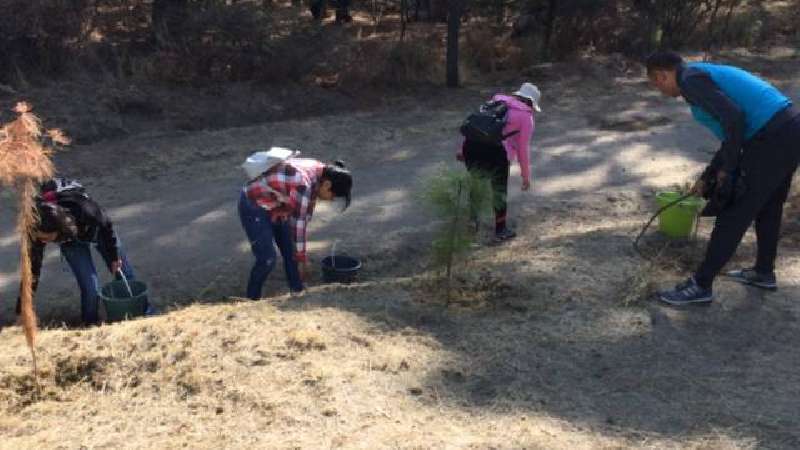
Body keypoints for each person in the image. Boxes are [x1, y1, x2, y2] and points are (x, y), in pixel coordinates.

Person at [646, 51, 800, 305]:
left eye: (656, 83)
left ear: (662, 75)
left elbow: (735, 120)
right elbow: (732, 134)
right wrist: (708, 176)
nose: (659, 89)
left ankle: (701, 285)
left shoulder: (690, 80)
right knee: (769, 206)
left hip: (772, 137)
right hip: (789, 129)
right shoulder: (698, 75)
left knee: (733, 211)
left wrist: (728, 172)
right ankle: (763, 272)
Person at [18, 178, 141, 325]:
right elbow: (32, 272)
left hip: (97, 230)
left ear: (59, 230)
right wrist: (22, 309)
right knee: (90, 286)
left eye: (47, 239)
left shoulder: (85, 209)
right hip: (69, 238)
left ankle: (139, 312)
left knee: (123, 271)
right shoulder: (37, 228)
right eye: (41, 239)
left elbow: (106, 224)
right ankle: (91, 324)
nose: (43, 242)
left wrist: (114, 256)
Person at [239, 157, 353, 299]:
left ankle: (297, 292)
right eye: (333, 195)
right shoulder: (304, 184)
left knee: (291, 252)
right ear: (327, 184)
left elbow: (304, 217)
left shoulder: (320, 173)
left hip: (278, 203)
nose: (330, 199)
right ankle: (252, 299)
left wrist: (300, 257)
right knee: (267, 258)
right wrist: (302, 259)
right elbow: (298, 224)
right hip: (254, 203)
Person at [457, 82, 540, 243]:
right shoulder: (526, 117)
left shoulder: (497, 100)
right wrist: (525, 176)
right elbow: (522, 149)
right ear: (530, 102)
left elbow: (477, 125)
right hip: (496, 152)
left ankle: (473, 220)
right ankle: (501, 230)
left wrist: (462, 150)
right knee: (499, 191)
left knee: (477, 184)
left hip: (471, 147)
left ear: (518, 96)